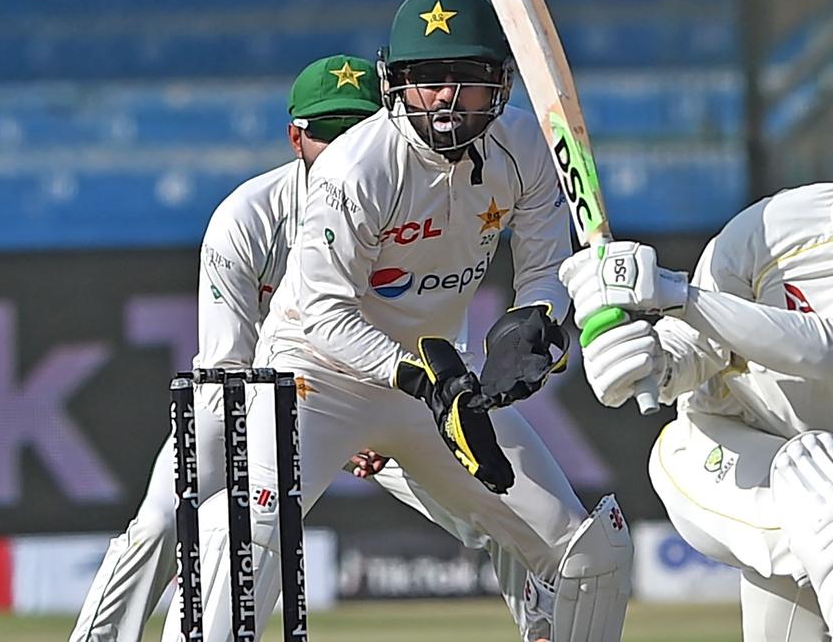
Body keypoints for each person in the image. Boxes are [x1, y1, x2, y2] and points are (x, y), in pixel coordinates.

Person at [170, 0, 632, 642]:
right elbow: (326, 313)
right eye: (428, 81)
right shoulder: (356, 169)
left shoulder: (524, 148)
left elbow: (542, 272)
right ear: (396, 84)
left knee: (593, 554)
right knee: (246, 538)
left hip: (439, 381)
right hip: (317, 378)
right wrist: (423, 378)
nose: (446, 99)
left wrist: (532, 330)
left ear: (498, 84)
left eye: (467, 80)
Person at [73, 55, 533, 642]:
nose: (346, 145)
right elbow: (225, 370)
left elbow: (437, 332)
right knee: (164, 521)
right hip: (258, 401)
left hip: (391, 387)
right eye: (329, 132)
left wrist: (380, 415)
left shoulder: (419, 201)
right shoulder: (248, 217)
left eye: (359, 127)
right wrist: (320, 426)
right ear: (296, 137)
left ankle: (543, 622)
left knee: (503, 501)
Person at [560, 81, 833, 641]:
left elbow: (825, 347)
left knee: (826, 475)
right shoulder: (772, 226)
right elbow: (697, 352)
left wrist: (675, 293)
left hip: (825, 492)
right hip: (711, 454)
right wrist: (647, 361)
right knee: (831, 480)